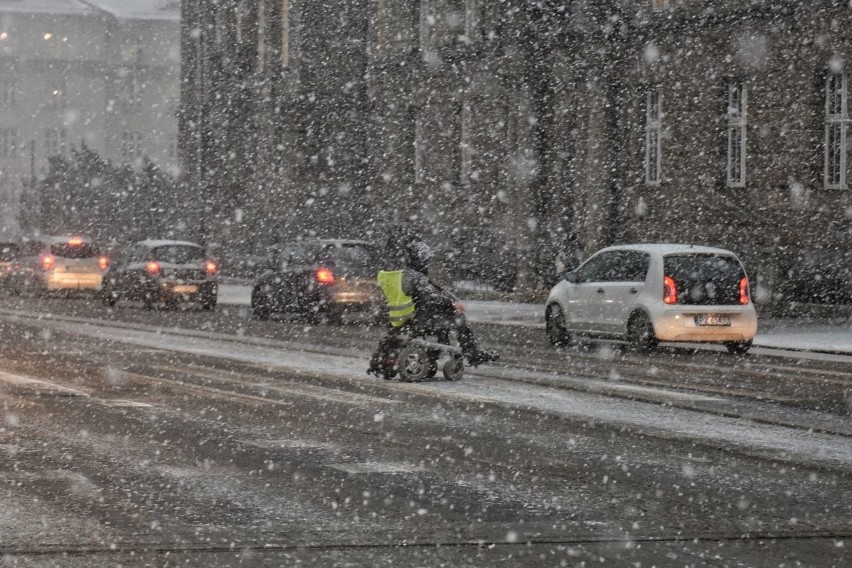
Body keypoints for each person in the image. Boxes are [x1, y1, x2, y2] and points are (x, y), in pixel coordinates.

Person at [368, 230, 499, 376]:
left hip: (396, 321)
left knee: (442, 321)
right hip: (416, 320)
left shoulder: (387, 276)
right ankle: (473, 353)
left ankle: (432, 356)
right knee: (457, 318)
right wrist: (451, 304)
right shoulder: (416, 277)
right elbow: (429, 299)